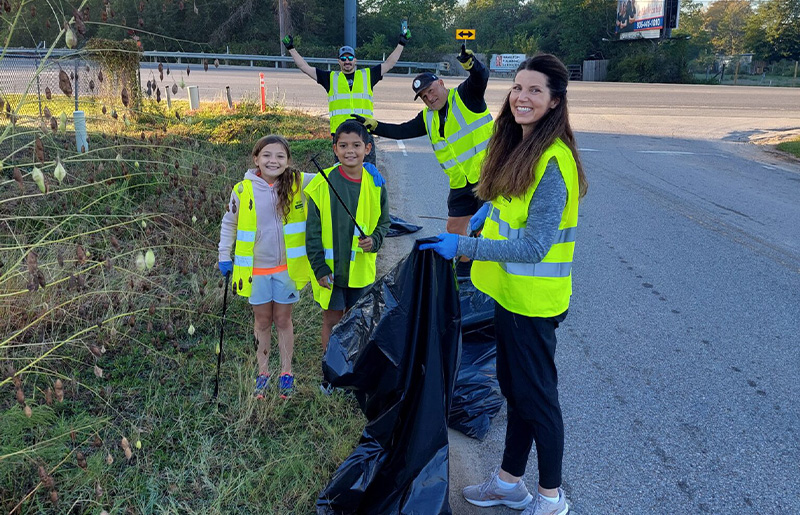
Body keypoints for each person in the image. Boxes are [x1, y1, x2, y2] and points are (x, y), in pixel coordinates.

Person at [421, 54, 589, 515]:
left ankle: (552, 497)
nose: (522, 97)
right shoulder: (519, 145)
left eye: (535, 90)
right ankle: (510, 482)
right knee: (516, 393)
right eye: (518, 87)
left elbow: (534, 246)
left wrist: (462, 248)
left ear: (555, 101)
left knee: (539, 400)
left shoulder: (553, 162)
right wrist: (484, 213)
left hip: (534, 302)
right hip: (509, 296)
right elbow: (510, 209)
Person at [352, 45, 493, 240]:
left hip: (488, 175)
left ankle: (485, 266)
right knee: (454, 229)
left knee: (487, 229)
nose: (429, 98)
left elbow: (480, 78)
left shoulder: (466, 96)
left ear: (441, 83)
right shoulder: (427, 118)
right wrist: (375, 126)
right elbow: (402, 130)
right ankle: (462, 268)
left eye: (431, 91)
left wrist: (472, 65)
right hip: (461, 183)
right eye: (424, 97)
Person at [218, 135, 315, 400]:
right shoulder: (242, 190)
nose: (274, 161)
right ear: (256, 158)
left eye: (280, 156)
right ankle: (263, 373)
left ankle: (286, 372)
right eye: (267, 155)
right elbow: (229, 223)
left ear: (288, 161)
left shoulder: (297, 183)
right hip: (256, 272)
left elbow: (330, 179)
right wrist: (224, 254)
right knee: (262, 321)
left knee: (283, 320)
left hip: (287, 270)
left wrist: (362, 170)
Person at [304, 120, 390, 394]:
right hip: (331, 272)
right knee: (331, 320)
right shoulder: (321, 183)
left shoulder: (376, 184)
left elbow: (384, 223)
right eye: (343, 146)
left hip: (360, 273)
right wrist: (319, 268)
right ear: (335, 149)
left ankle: (352, 372)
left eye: (356, 145)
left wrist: (374, 240)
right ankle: (331, 375)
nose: (349, 151)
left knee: (356, 322)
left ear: (367, 148)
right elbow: (312, 233)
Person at [281, 29, 411, 164]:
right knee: (342, 175)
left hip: (364, 132)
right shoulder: (330, 78)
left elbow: (389, 63)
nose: (347, 61)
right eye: (343, 58)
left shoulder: (367, 75)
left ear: (355, 60)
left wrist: (401, 43)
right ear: (339, 61)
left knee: (369, 173)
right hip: (341, 134)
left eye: (350, 58)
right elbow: (304, 67)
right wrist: (291, 48)